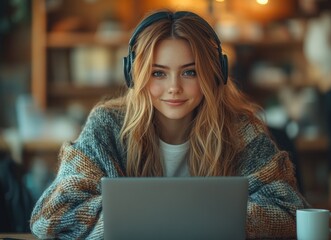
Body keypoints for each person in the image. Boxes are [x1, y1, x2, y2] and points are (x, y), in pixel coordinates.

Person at [30, 10, 309, 239]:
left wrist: (152, 220)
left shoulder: (240, 130)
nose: (174, 88)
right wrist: (204, 220)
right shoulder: (107, 126)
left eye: (190, 72)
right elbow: (51, 215)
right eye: (158, 73)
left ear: (215, 75)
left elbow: (289, 212)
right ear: (135, 76)